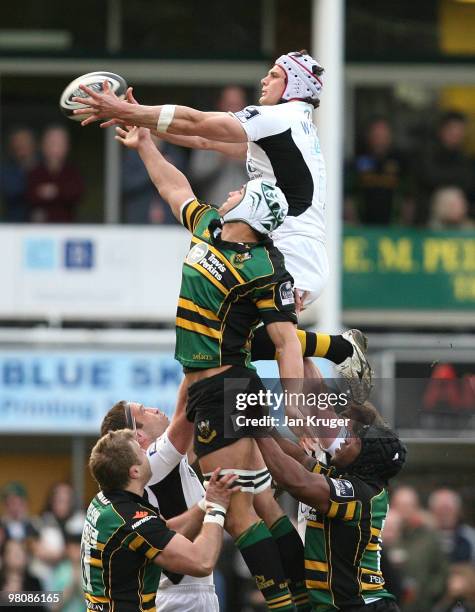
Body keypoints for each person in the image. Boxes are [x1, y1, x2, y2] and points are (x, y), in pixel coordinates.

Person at [73, 50, 373, 400]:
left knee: (257, 340)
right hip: (292, 245)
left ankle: (338, 352)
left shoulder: (278, 117)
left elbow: (198, 123)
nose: (264, 80)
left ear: (293, 84)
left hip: (290, 249)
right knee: (281, 345)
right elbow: (203, 140)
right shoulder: (290, 123)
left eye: (274, 74)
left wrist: (127, 111)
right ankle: (327, 427)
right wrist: (143, 125)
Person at [113, 123, 309, 611]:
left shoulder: (264, 267)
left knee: (240, 514)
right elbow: (174, 186)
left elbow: (286, 343)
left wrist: (299, 410)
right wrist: (145, 146)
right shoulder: (210, 228)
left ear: (253, 209)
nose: (230, 191)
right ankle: (307, 596)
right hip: (228, 389)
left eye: (241, 190)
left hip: (223, 389)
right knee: (262, 503)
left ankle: (290, 606)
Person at [254, 400, 407, 612]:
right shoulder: (349, 481)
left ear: (365, 457)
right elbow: (299, 459)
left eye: (354, 440)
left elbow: (296, 481)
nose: (345, 440)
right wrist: (266, 427)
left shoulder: (358, 493)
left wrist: (256, 430)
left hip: (361, 607)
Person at [82, 428, 238, 611]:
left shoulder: (103, 502)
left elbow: (162, 534)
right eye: (140, 450)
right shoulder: (132, 520)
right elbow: (202, 561)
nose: (145, 450)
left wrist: (206, 502)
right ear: (135, 472)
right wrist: (216, 507)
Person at [100, 393, 221, 612]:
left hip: (181, 592)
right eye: (144, 410)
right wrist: (207, 367)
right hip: (183, 596)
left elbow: (201, 435)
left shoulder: (157, 463)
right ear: (138, 437)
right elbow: (187, 411)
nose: (155, 409)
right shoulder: (153, 460)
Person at [390, 486, 448, 612]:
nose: (404, 510)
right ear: (392, 507)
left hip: (422, 605)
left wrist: (429, 593)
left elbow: (441, 571)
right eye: (400, 505)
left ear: (416, 508)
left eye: (408, 505)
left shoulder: (429, 537)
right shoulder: (384, 535)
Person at [189, 86, 250, 204]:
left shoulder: (255, 136)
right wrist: (220, 158)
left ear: (244, 107)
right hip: (215, 207)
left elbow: (266, 177)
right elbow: (195, 175)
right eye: (230, 104)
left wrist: (242, 157)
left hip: (248, 209)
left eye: (237, 105)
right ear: (221, 105)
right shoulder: (207, 134)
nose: (234, 110)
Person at [412, 111, 475, 225]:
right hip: (428, 215)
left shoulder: (464, 158)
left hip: (461, 215)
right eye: (452, 129)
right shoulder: (427, 153)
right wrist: (454, 179)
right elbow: (430, 178)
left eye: (460, 130)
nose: (456, 134)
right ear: (441, 130)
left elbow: (469, 182)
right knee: (450, 195)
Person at [345, 117, 409, 225]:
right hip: (362, 225)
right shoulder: (357, 161)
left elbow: (409, 197)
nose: (380, 140)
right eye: (376, 135)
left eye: (384, 135)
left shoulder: (400, 162)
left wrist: (404, 223)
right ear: (369, 137)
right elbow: (348, 194)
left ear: (390, 137)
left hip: (393, 226)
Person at [27, 125, 85, 222]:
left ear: (66, 147)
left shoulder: (72, 171)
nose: (55, 148)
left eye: (59, 144)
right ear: (43, 146)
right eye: (52, 144)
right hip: (39, 227)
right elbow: (28, 196)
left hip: (67, 225)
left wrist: (56, 191)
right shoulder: (34, 171)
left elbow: (78, 194)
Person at [428, 488, 475, 564]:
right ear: (432, 511)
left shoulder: (470, 537)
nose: (444, 514)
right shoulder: (423, 537)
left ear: (458, 510)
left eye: (448, 509)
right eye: (440, 509)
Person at [0, 127, 37, 222]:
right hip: (14, 222)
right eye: (17, 142)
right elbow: (11, 191)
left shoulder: (43, 166)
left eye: (25, 141)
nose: (21, 145)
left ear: (33, 144)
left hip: (44, 224)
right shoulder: (6, 170)